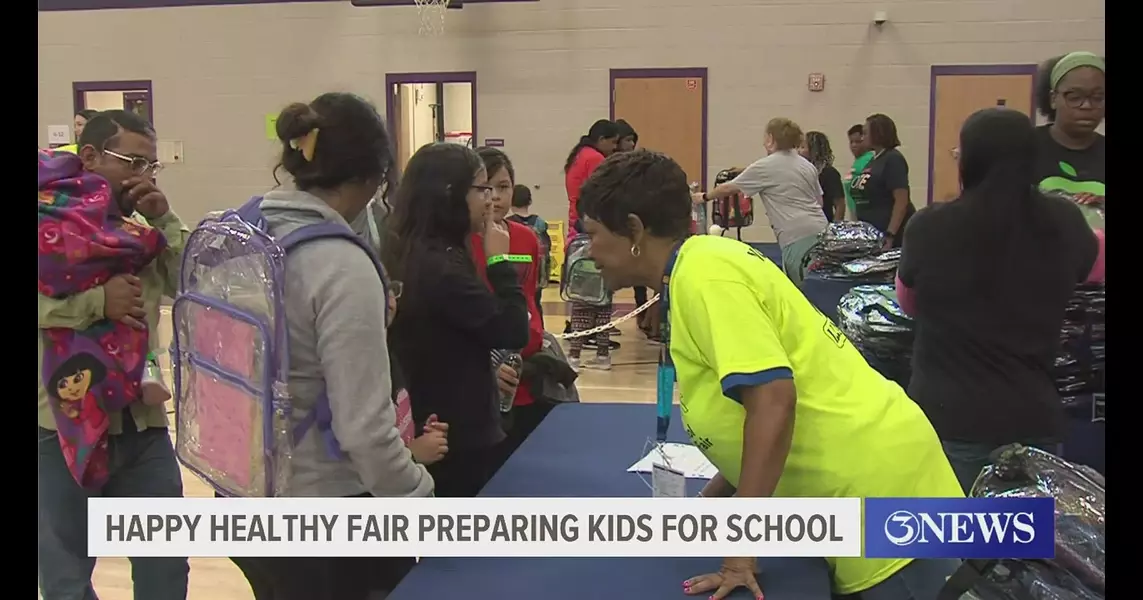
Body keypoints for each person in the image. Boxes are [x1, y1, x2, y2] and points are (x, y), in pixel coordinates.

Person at [578, 149, 963, 599]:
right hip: (873, 478)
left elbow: (773, 399)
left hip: (878, 495)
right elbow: (745, 405)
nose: (589, 250)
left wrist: (742, 543)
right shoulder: (699, 266)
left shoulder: (705, 276)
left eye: (593, 233)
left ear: (635, 229)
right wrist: (714, 501)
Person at [227, 94, 443, 600]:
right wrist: (417, 495)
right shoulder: (339, 264)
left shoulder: (245, 228)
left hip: (244, 490)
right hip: (324, 506)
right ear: (375, 178)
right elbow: (364, 429)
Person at [896, 108, 1104, 493]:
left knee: (956, 540)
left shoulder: (929, 227)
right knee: (1025, 546)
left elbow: (908, 304)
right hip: (1032, 415)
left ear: (969, 159)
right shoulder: (1064, 222)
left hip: (949, 415)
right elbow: (1095, 268)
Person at [38, 110, 191, 600]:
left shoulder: (140, 231)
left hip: (141, 425)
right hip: (58, 427)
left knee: (165, 569)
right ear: (89, 156)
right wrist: (95, 304)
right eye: (132, 162)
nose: (142, 176)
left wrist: (165, 217)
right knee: (65, 575)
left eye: (151, 166)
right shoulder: (46, 224)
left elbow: (197, 281)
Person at [384, 143, 530, 498]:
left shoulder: (410, 248)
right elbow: (512, 329)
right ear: (451, 194)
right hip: (453, 431)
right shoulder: (441, 267)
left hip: (431, 413)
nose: (491, 200)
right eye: (482, 189)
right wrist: (499, 263)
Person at [469, 147, 549, 458]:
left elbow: (529, 297)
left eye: (503, 187)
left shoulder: (528, 238)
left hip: (524, 371)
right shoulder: (461, 241)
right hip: (483, 378)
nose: (496, 197)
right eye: (486, 188)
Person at [692, 118, 827, 286]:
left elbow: (729, 188)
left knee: (802, 289)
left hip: (796, 236)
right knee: (819, 287)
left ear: (770, 139)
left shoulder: (767, 165)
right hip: (822, 231)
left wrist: (704, 197)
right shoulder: (806, 165)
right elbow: (819, 201)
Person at [564, 119, 620, 369]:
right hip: (591, 233)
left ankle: (579, 355)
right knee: (598, 301)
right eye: (613, 142)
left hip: (577, 233)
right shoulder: (595, 159)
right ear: (602, 140)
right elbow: (601, 196)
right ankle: (598, 355)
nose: (615, 147)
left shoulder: (577, 156)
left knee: (583, 301)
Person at [1034, 52, 1104, 206]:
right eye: (1074, 97)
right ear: (1053, 99)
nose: (1087, 105)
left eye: (1098, 97)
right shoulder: (1024, 147)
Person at [850, 114, 914, 247]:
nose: (863, 138)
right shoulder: (874, 160)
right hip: (872, 233)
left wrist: (890, 234)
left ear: (878, 133)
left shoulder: (893, 159)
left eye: (866, 133)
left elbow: (901, 200)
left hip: (890, 235)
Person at [507, 183, 552, 319]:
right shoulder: (540, 223)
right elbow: (547, 246)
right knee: (536, 303)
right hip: (537, 273)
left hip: (514, 273)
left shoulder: (507, 224)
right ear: (530, 201)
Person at [799, 130, 845, 222]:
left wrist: (834, 228)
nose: (799, 151)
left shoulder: (829, 173)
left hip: (823, 223)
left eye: (803, 147)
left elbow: (840, 204)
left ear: (814, 150)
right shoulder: (803, 172)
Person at [842, 124, 873, 221]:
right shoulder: (858, 162)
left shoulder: (869, 159)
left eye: (858, 142)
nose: (854, 145)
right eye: (851, 142)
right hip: (855, 211)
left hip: (866, 213)